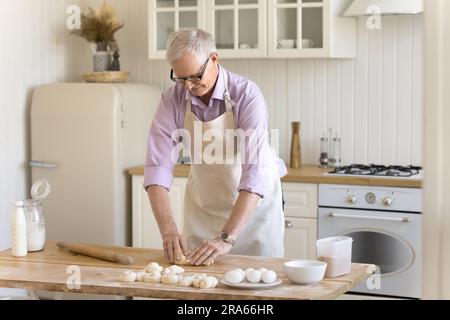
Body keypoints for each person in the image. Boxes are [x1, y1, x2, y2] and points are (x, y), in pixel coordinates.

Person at [144, 28, 287, 266]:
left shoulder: (247, 95)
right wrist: (168, 230)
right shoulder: (172, 100)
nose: (187, 86)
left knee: (256, 283)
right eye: (180, 78)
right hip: (204, 209)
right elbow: (157, 168)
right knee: (201, 286)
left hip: (254, 212)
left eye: (194, 77)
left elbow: (254, 172)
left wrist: (226, 238)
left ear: (214, 59)